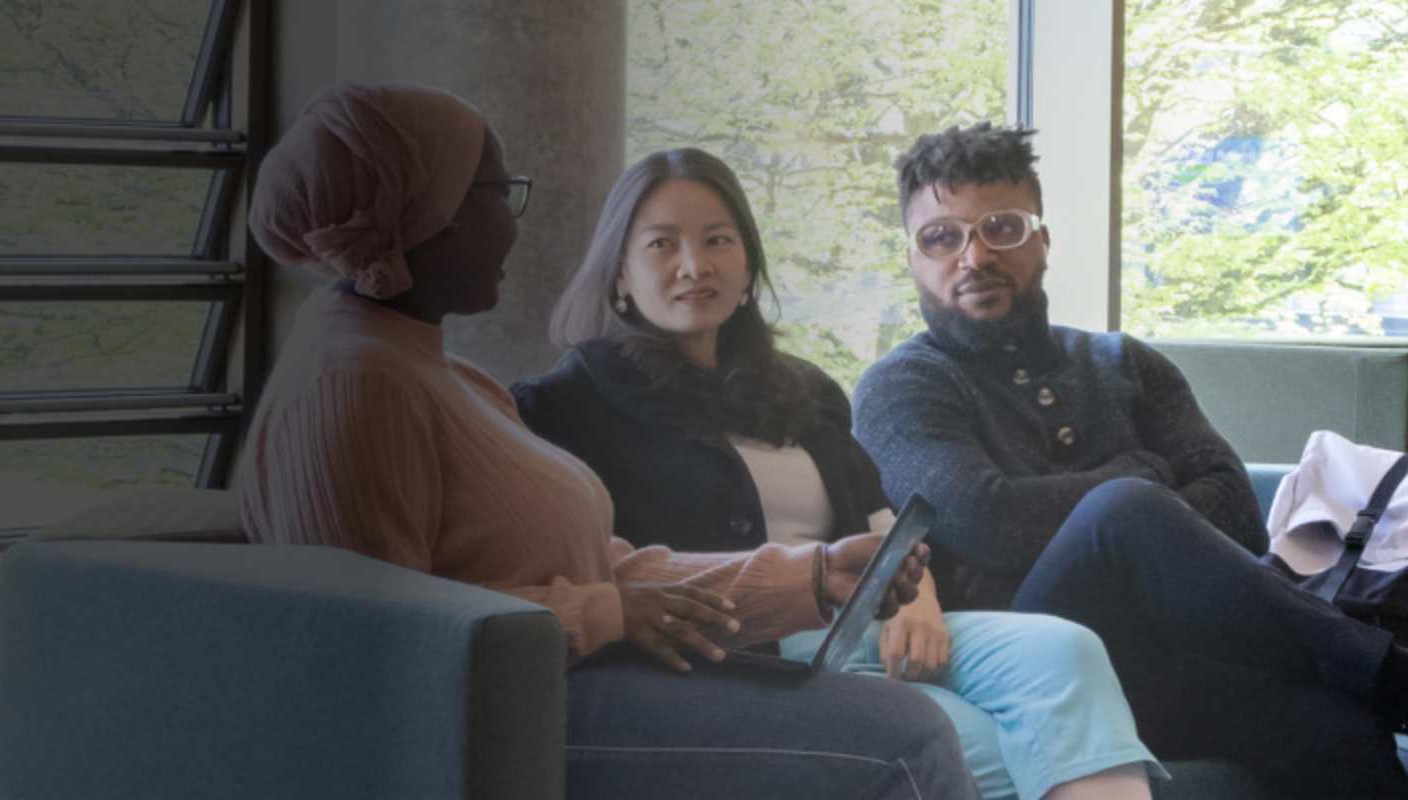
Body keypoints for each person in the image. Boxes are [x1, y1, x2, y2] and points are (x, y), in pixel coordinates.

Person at [232, 84, 967, 799]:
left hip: (565, 687)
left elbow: (605, 568)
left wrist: (812, 578)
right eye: (497, 193)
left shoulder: (438, 372)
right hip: (498, 724)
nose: (516, 225)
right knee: (908, 737)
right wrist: (605, 617)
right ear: (426, 215)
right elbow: (378, 647)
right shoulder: (352, 387)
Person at [851, 123, 1408, 796]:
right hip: (1029, 670)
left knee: (1337, 730)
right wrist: (1140, 476)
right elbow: (987, 520)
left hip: (1166, 670)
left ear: (1043, 240)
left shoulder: (1124, 363)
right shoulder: (903, 385)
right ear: (914, 257)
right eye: (941, 237)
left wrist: (1132, 504)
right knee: (1124, 510)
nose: (974, 255)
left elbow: (1237, 512)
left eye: (1002, 227)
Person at [518, 147, 1161, 800]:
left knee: (1066, 653)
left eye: (718, 240)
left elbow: (884, 522)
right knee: (1001, 745)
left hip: (862, 627)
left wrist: (920, 599)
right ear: (620, 273)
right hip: (741, 654)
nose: (694, 265)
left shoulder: (799, 388)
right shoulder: (566, 404)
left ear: (747, 267)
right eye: (662, 244)